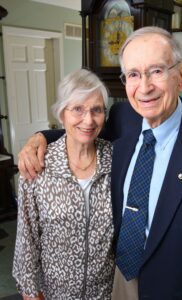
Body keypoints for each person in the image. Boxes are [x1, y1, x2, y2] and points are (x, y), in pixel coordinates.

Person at [17, 26, 182, 300]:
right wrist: (40, 137)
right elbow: (82, 130)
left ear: (181, 75)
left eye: (157, 71)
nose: (145, 87)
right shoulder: (123, 118)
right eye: (134, 75)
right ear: (125, 81)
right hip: (117, 282)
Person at [13, 69, 115, 300]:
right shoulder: (38, 165)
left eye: (97, 110)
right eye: (77, 109)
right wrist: (31, 293)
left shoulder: (116, 161)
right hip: (55, 293)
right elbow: (26, 241)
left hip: (106, 293)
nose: (88, 120)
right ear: (62, 114)